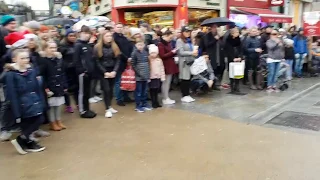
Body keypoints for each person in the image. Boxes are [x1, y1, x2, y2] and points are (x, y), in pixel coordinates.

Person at [6, 49, 46, 154]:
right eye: (22, 58)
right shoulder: (11, 74)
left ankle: (23, 139)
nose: (25, 60)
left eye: (27, 58)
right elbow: (12, 94)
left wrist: (42, 101)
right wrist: (16, 111)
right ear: (14, 59)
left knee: (39, 118)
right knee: (27, 123)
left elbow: (37, 88)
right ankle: (26, 141)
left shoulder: (31, 71)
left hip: (34, 100)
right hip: (22, 104)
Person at [40, 41, 67, 131]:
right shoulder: (43, 61)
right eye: (50, 48)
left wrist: (64, 84)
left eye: (54, 47)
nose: (53, 50)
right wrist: (46, 88)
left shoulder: (58, 59)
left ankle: (58, 120)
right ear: (45, 49)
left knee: (58, 104)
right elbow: (42, 76)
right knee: (51, 105)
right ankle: (52, 122)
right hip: (50, 86)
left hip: (59, 84)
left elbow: (63, 72)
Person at [94, 31, 120, 118]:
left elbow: (117, 60)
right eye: (107, 36)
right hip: (103, 71)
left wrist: (114, 71)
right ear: (103, 37)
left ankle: (109, 105)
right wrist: (105, 72)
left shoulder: (115, 46)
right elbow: (96, 61)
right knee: (106, 89)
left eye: (110, 36)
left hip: (112, 70)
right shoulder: (97, 47)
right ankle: (107, 109)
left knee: (111, 90)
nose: (109, 37)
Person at [73, 25, 97, 118]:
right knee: (82, 93)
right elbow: (76, 60)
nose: (87, 35)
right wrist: (82, 71)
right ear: (80, 33)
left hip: (89, 73)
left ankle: (87, 109)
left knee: (87, 93)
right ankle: (83, 111)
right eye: (85, 33)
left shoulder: (87, 45)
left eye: (88, 33)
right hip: (83, 73)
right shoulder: (78, 45)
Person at [113, 23, 134, 106]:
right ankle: (119, 98)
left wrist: (130, 57)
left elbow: (128, 48)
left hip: (126, 62)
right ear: (114, 28)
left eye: (121, 27)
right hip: (118, 62)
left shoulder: (124, 37)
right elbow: (118, 51)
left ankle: (125, 97)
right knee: (118, 81)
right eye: (118, 27)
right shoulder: (114, 38)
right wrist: (127, 58)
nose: (119, 28)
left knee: (125, 79)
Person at [59, 28, 78, 113]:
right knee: (66, 89)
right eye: (70, 36)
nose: (72, 37)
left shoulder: (77, 45)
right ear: (66, 37)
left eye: (74, 36)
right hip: (66, 70)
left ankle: (78, 103)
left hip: (75, 69)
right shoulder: (62, 47)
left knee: (77, 87)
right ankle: (68, 105)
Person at [176, 26, 197, 103]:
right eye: (186, 31)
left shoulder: (188, 40)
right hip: (184, 62)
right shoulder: (179, 41)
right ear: (182, 32)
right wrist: (191, 53)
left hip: (190, 61)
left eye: (189, 32)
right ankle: (184, 95)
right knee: (184, 79)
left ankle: (187, 94)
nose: (188, 33)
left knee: (188, 78)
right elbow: (180, 52)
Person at [200, 24, 224, 89]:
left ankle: (217, 83)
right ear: (211, 28)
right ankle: (212, 85)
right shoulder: (207, 35)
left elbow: (223, 45)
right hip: (211, 55)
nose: (215, 29)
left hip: (219, 55)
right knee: (212, 70)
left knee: (219, 69)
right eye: (214, 27)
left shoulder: (220, 36)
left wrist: (220, 37)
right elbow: (207, 45)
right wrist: (215, 39)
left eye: (217, 27)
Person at [131, 38, 152, 113]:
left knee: (145, 91)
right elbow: (133, 64)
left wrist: (148, 73)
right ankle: (138, 105)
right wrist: (138, 73)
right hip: (139, 76)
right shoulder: (134, 53)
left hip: (145, 74)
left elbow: (148, 63)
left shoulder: (146, 52)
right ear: (136, 45)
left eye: (142, 45)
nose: (140, 46)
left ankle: (144, 103)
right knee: (138, 91)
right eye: (138, 45)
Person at [158, 29, 178, 105]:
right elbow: (162, 55)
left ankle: (166, 97)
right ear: (165, 36)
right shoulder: (161, 44)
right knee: (165, 82)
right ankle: (165, 98)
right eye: (170, 37)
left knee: (168, 82)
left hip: (169, 64)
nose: (170, 39)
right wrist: (172, 52)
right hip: (165, 65)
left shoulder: (167, 43)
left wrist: (173, 52)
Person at [225, 27, 245, 95]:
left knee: (238, 73)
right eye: (236, 32)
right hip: (231, 60)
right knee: (231, 73)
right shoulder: (228, 40)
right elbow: (227, 51)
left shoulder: (238, 40)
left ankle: (237, 87)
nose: (238, 33)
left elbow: (241, 49)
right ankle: (232, 88)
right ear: (232, 33)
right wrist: (233, 58)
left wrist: (240, 57)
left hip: (238, 59)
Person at [148, 44, 165, 108]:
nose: (153, 54)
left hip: (158, 77)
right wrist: (148, 77)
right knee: (152, 90)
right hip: (151, 77)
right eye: (152, 53)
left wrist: (162, 77)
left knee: (156, 90)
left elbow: (162, 69)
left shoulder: (159, 60)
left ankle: (156, 101)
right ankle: (153, 102)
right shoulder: (148, 60)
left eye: (155, 53)